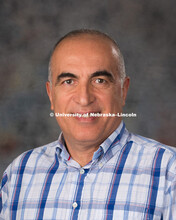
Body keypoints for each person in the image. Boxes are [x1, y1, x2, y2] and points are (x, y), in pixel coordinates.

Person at [0, 29, 175, 220]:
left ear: (123, 91)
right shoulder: (19, 174)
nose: (84, 99)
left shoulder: (169, 173)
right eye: (68, 81)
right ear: (51, 95)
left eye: (99, 81)